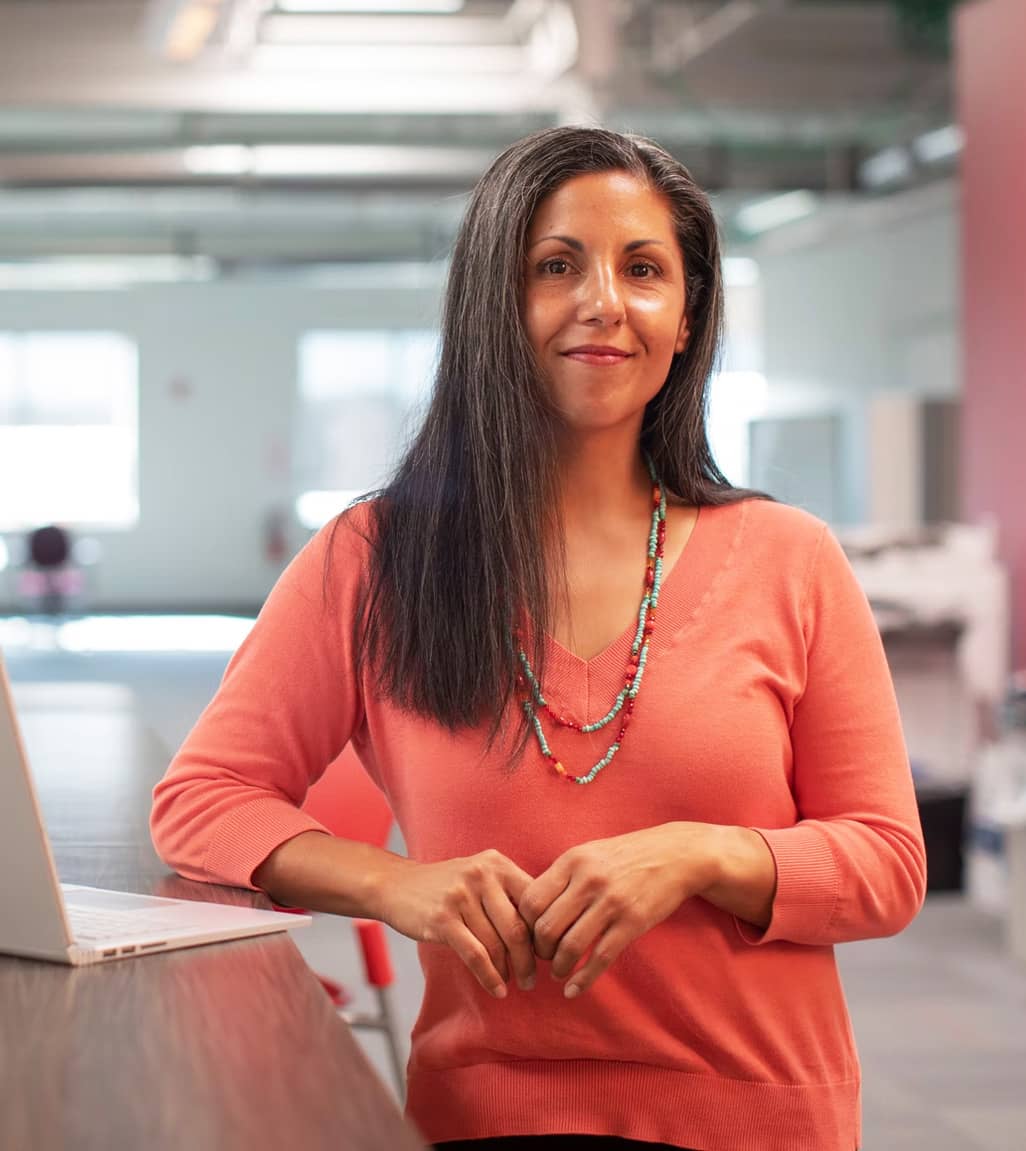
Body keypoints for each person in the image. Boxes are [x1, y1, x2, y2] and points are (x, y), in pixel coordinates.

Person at [150, 127, 926, 1151]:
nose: (604, 300)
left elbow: (886, 863)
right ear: (495, 306)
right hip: (487, 1116)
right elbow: (200, 801)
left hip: (757, 1114)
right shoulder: (375, 557)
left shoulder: (790, 557)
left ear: (686, 317)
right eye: (557, 265)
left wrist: (701, 854)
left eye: (643, 269)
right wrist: (394, 882)